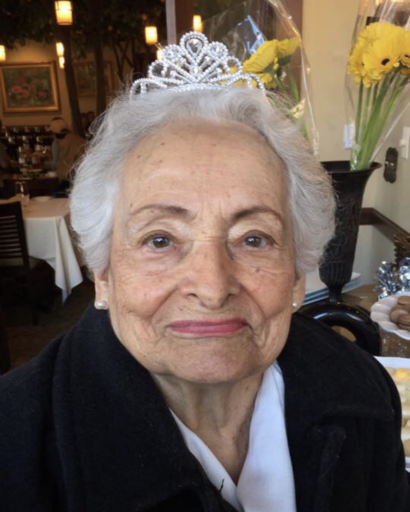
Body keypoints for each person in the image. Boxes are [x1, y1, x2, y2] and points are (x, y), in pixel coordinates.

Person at [0, 33, 409, 512]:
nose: (213, 288)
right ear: (103, 273)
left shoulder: (362, 389)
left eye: (253, 239)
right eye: (160, 240)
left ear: (298, 275)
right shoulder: (14, 444)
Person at [49, 117, 87, 182]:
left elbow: (64, 172)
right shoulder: (78, 139)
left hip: (78, 180)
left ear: (54, 134)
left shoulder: (66, 143)